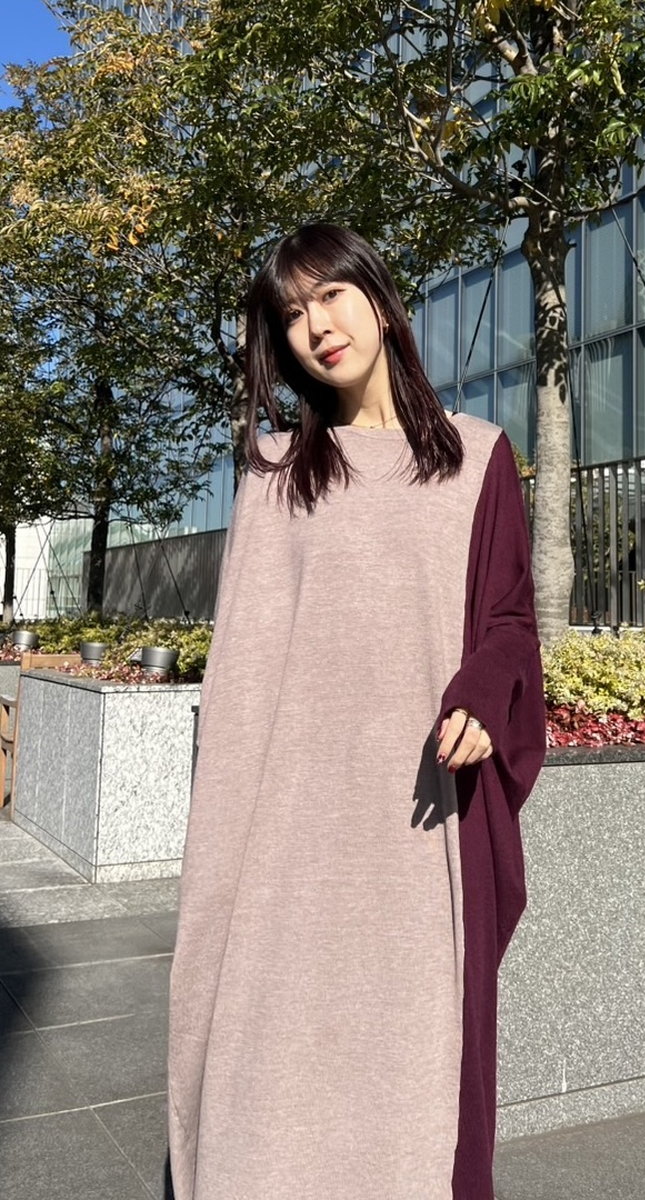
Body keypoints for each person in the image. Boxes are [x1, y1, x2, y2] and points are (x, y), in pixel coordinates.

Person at [167, 223, 547, 1200]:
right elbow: (244, 672)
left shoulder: (477, 459)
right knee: (266, 1091)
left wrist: (483, 691)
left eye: (330, 295)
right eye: (291, 314)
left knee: (415, 1091)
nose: (316, 327)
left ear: (376, 298)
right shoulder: (273, 471)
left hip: (420, 833)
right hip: (291, 837)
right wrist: (224, 852)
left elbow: (509, 619)